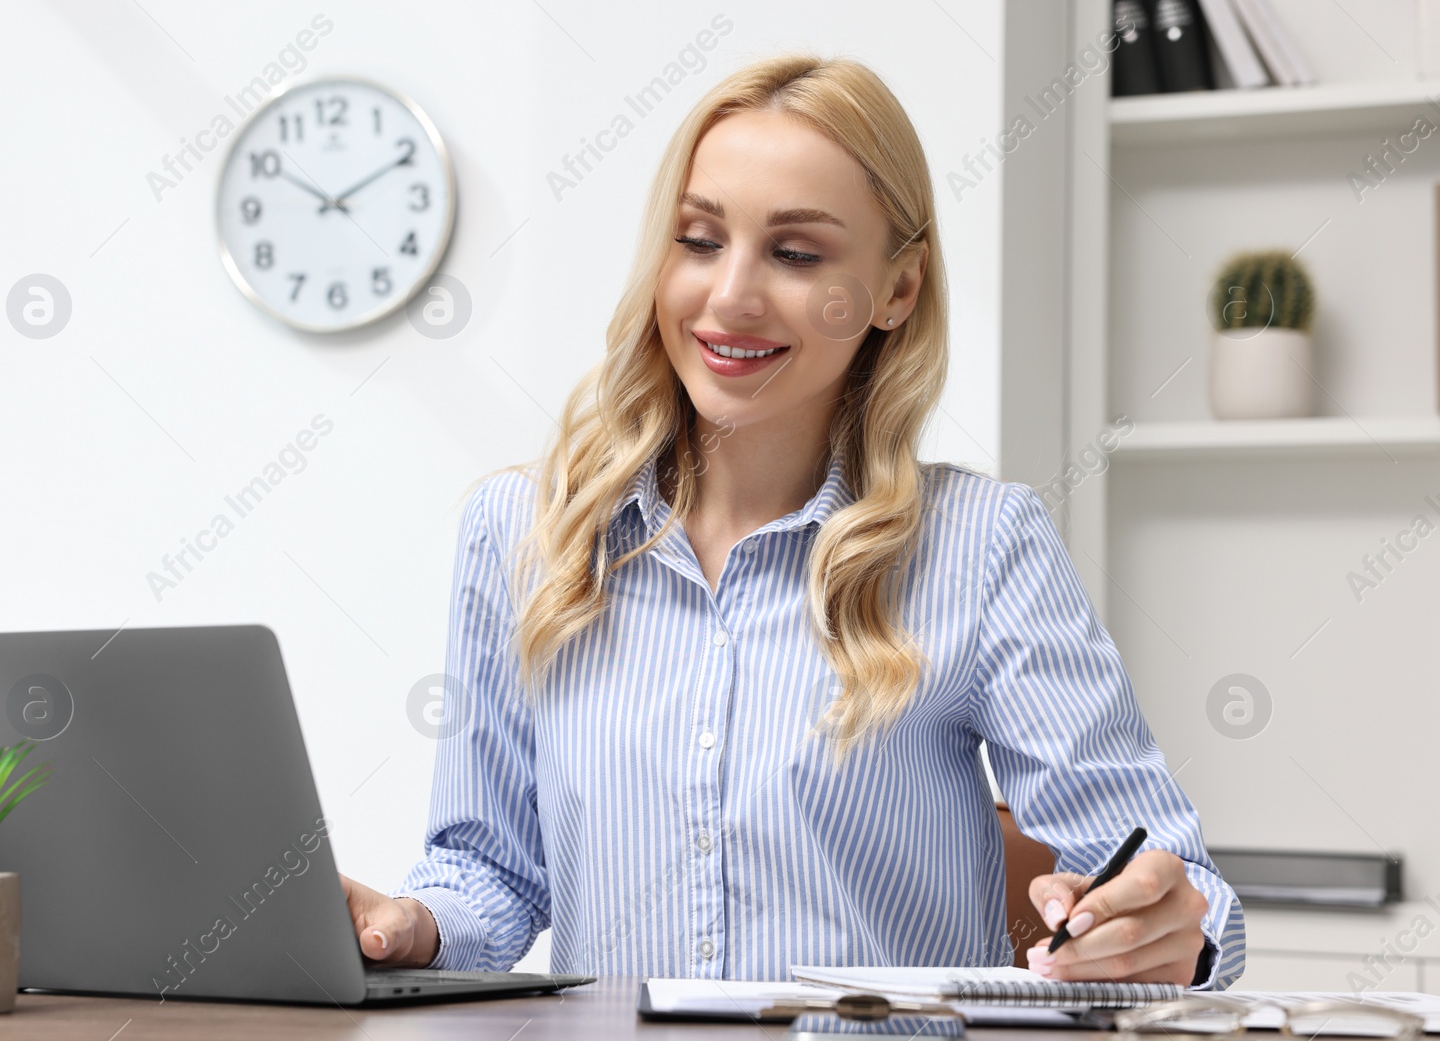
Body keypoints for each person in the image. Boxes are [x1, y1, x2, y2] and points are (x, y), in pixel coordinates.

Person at [340, 53, 1244, 987]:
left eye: (797, 253)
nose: (730, 294)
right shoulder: (524, 531)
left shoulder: (982, 545)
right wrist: (414, 924)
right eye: (697, 240)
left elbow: (1170, 880)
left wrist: (1168, 929)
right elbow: (488, 871)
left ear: (897, 290)